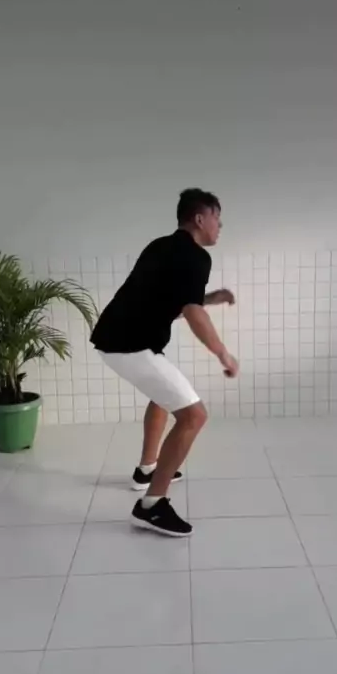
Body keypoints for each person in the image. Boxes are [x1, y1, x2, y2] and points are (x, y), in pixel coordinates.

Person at [90, 188, 239, 537]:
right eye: (217, 218)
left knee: (163, 398)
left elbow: (165, 299)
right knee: (194, 416)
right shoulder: (196, 257)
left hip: (115, 338)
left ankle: (147, 470)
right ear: (200, 219)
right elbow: (190, 311)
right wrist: (223, 353)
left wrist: (210, 298)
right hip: (130, 346)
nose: (220, 226)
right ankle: (151, 506)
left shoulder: (161, 246)